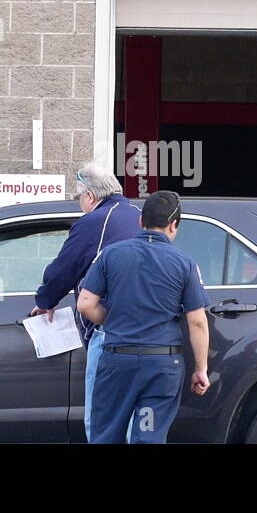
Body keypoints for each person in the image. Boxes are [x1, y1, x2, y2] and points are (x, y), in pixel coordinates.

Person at [77, 190, 211, 444]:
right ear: (174, 225)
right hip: (162, 366)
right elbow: (197, 321)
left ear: (140, 222)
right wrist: (201, 369)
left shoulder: (111, 254)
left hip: (118, 361)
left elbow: (85, 304)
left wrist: (113, 320)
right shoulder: (185, 263)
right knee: (149, 437)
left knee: (106, 435)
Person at [30, 161, 140, 441]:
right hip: (148, 332)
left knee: (102, 419)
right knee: (133, 420)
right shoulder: (138, 216)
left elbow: (64, 268)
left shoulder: (95, 221)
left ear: (90, 196)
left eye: (79, 198)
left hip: (110, 333)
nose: (80, 204)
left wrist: (45, 299)